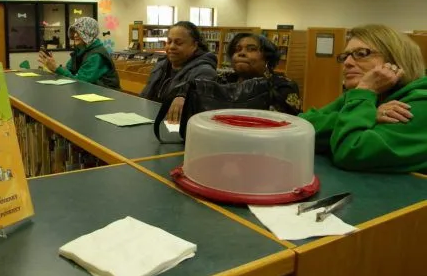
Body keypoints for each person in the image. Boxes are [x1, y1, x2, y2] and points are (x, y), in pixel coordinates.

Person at [300, 24, 427, 173]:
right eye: (345, 56)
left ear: (395, 60)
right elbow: (301, 125)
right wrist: (371, 115)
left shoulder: (420, 103)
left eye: (361, 54)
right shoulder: (363, 95)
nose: (347, 63)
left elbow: (350, 151)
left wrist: (364, 96)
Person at [165, 32, 302, 123]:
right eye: (238, 49)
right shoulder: (223, 79)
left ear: (267, 57)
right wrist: (182, 95)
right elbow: (198, 88)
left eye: (251, 49)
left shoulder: (282, 87)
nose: (242, 53)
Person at [141, 21, 217, 107]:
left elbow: (197, 106)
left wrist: (183, 96)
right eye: (169, 41)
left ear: (194, 46)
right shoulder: (160, 67)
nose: (172, 47)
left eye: (178, 43)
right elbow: (144, 96)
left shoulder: (204, 72)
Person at [38, 17, 120, 89]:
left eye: (79, 32)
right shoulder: (80, 50)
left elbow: (81, 82)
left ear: (89, 33)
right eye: (74, 32)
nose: (75, 35)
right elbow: (68, 69)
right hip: (90, 92)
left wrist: (56, 68)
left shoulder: (96, 55)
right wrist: (53, 67)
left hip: (107, 95)